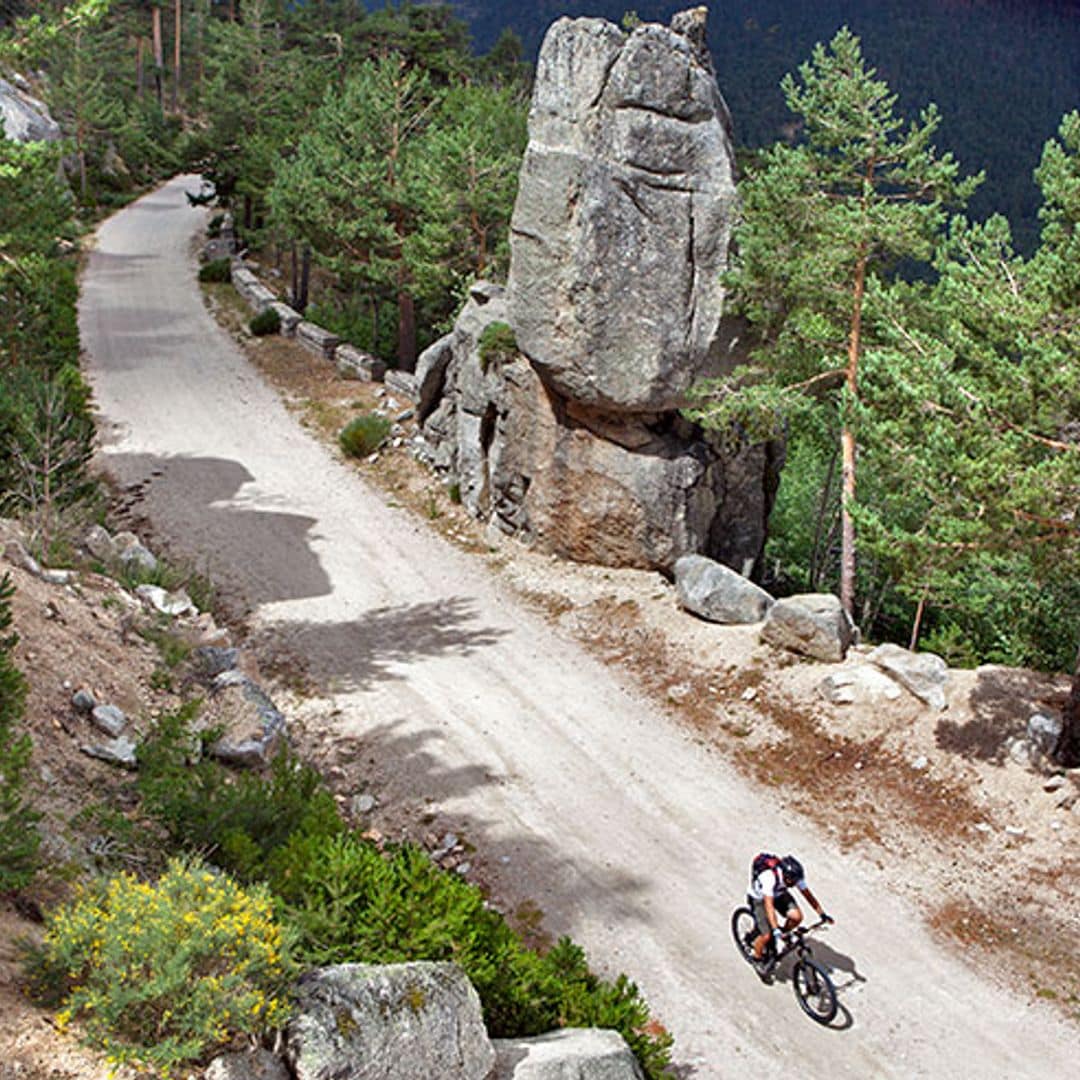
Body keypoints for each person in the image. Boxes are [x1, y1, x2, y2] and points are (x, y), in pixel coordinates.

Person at [749, 854, 833, 972]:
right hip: (760, 899)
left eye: (796, 881)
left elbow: (808, 895)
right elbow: (769, 906)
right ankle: (756, 958)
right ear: (785, 876)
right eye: (792, 882)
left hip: (779, 894)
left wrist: (822, 914)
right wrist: (775, 929)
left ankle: (782, 934)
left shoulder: (794, 877)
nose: (794, 885)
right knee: (766, 935)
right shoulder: (769, 878)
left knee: (797, 917)